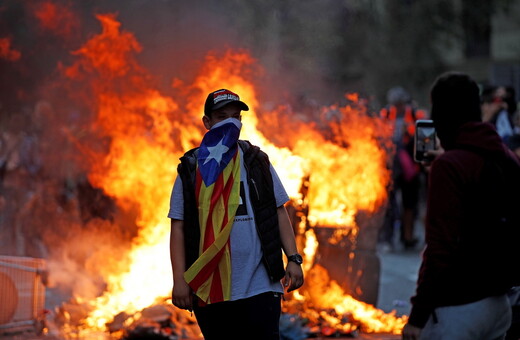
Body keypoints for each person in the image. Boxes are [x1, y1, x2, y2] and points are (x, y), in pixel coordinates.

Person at [168, 89, 304, 340]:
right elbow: (178, 226)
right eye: (222, 117)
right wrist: (180, 281)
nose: (231, 122)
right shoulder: (191, 167)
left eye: (236, 116)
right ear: (207, 123)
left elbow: (278, 210)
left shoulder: (256, 161)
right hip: (211, 286)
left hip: (261, 284)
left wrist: (293, 259)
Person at [402, 72, 520, 340]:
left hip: (458, 307)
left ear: (441, 111)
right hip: (500, 304)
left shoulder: (450, 167)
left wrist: (417, 316)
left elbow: (440, 247)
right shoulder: (506, 158)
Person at [378, 87, 426, 251]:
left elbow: (424, 137)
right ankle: (387, 239)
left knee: (410, 205)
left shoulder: (415, 115)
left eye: (400, 104)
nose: (397, 107)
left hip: (411, 167)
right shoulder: (384, 114)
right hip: (391, 166)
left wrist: (409, 133)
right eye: (395, 104)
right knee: (389, 205)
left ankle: (408, 238)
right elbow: (378, 136)